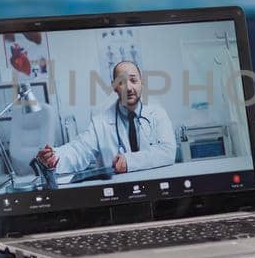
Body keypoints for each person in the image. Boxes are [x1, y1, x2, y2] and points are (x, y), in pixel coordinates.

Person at [36, 60, 176, 177]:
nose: (129, 88)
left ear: (142, 82)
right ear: (115, 87)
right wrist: (55, 156)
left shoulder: (157, 114)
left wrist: (129, 161)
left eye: (133, 80)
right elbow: (79, 150)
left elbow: (168, 151)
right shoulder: (101, 122)